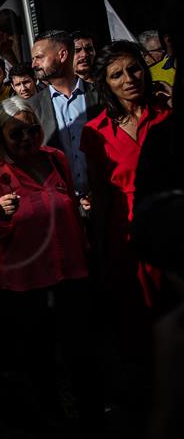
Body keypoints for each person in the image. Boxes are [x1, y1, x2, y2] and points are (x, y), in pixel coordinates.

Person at [0, 97, 102, 434]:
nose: (28, 139)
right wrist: (2, 216)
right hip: (27, 288)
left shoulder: (56, 159)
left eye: (32, 130)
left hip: (72, 277)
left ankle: (93, 419)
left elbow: (71, 209)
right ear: (1, 137)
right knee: (39, 365)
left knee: (83, 359)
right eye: (17, 134)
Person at [80, 41, 171, 308]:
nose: (129, 79)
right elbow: (101, 196)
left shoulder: (169, 116)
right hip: (126, 238)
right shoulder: (95, 132)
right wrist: (101, 251)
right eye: (117, 74)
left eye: (134, 69)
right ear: (105, 83)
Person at [29, 29, 101, 203]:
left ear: (62, 55)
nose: (33, 64)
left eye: (39, 57)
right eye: (33, 59)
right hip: (60, 206)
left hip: (104, 201)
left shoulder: (101, 95)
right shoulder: (32, 107)